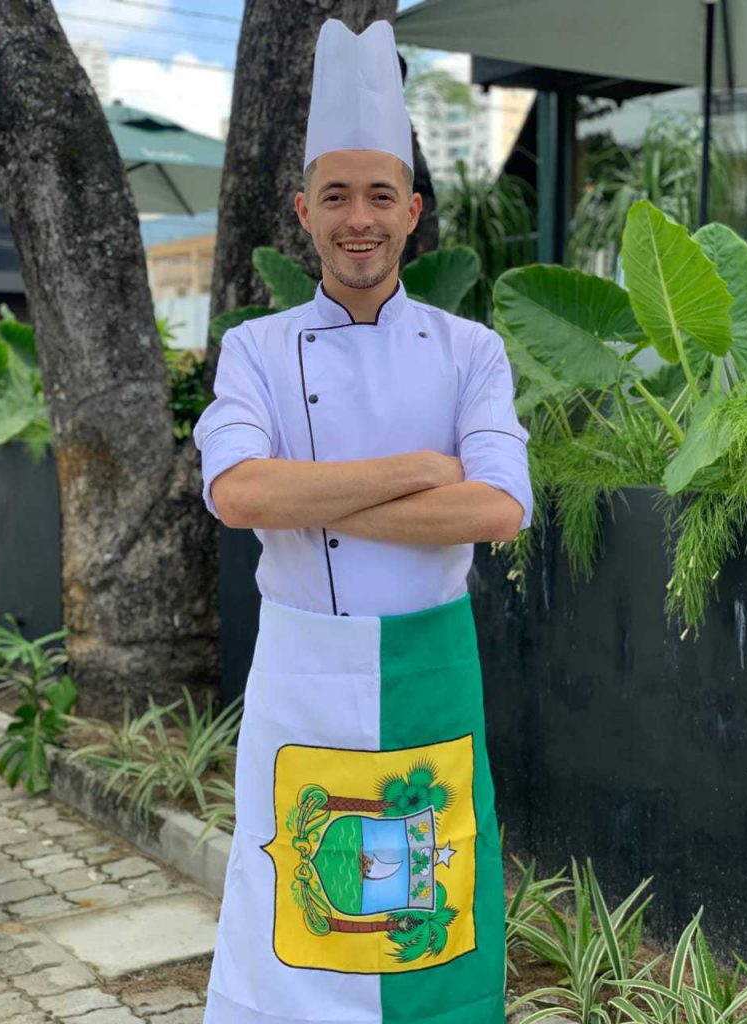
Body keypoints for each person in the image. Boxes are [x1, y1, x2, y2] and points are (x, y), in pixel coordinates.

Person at [193, 18, 533, 1024]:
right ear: (304, 211)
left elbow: (499, 508)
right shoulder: (256, 349)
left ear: (412, 211)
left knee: (430, 898)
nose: (359, 219)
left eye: (380, 195)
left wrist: (315, 490)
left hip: (428, 664)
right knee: (294, 903)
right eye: (336, 195)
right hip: (301, 670)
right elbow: (239, 495)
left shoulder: (471, 351)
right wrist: (417, 474)